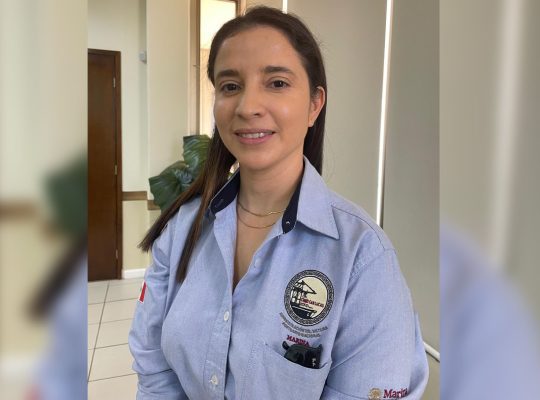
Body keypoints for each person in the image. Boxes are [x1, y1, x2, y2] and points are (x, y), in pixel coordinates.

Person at [129, 6, 428, 400]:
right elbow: (154, 367)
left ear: (314, 104)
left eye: (277, 83)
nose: (247, 106)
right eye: (230, 86)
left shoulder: (363, 257)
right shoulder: (183, 228)